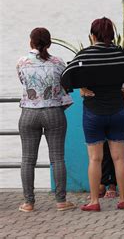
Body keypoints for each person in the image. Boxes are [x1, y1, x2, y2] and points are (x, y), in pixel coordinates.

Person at [61, 17, 124, 212]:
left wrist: (82, 88)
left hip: (94, 112)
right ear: (112, 35)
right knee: (119, 158)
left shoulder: (85, 55)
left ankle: (94, 201)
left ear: (93, 35)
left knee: (95, 159)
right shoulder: (122, 54)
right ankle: (123, 199)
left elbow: (66, 76)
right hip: (118, 110)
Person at [16, 27, 75, 212]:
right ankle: (61, 201)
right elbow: (64, 84)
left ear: (31, 42)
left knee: (27, 159)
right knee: (57, 158)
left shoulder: (22, 62)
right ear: (49, 43)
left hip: (28, 113)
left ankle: (28, 203)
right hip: (53, 112)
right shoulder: (58, 63)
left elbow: (23, 82)